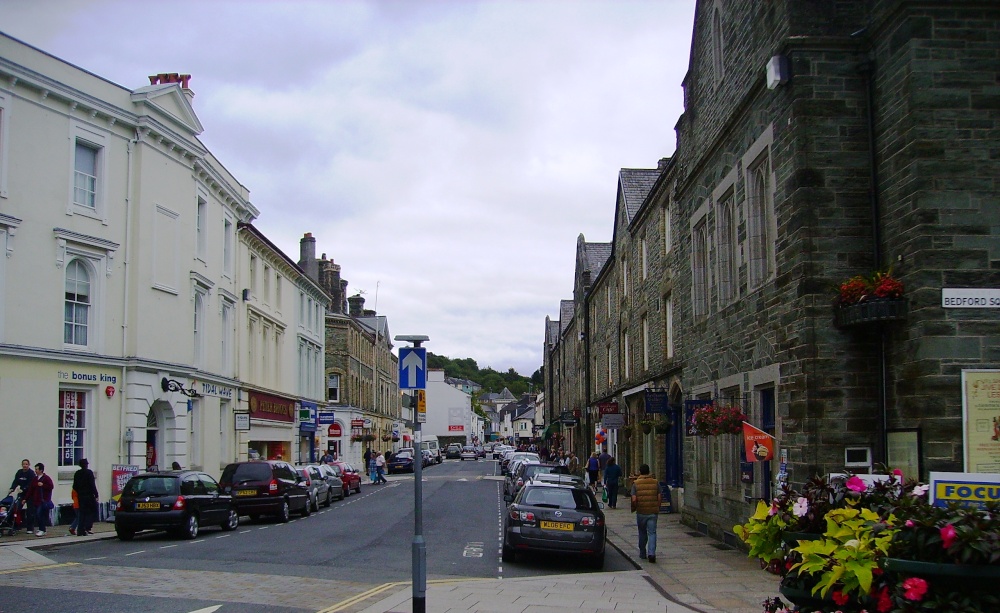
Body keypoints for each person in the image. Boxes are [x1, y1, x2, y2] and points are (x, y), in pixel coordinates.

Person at [630, 464, 662, 563]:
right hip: (652, 511)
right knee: (652, 533)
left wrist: (634, 507)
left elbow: (634, 499)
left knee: (642, 532)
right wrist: (658, 507)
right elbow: (659, 497)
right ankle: (651, 553)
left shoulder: (636, 483)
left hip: (641, 512)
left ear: (640, 472)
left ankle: (643, 553)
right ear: (649, 472)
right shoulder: (655, 482)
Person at [72, 458, 99, 536]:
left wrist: (80, 491)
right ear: (86, 465)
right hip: (89, 496)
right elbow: (92, 485)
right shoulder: (89, 473)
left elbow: (74, 486)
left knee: (82, 513)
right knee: (92, 512)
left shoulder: (77, 473)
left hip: (81, 496)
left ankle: (80, 530)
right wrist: (96, 494)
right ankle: (87, 527)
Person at [25, 463, 53, 537]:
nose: (35, 471)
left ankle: (42, 529)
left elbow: (51, 487)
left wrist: (43, 485)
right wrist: (25, 499)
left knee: (39, 514)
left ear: (41, 470)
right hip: (36, 500)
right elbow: (31, 489)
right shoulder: (35, 479)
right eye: (35, 469)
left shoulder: (46, 478)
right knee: (38, 515)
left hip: (43, 500)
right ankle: (42, 528)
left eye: (37, 469)